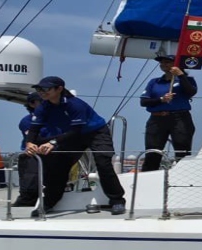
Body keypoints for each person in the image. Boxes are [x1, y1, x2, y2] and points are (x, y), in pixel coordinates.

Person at [25, 76, 127, 216]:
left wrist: (53, 143)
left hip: (95, 132)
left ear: (59, 89)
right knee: (58, 166)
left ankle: (117, 201)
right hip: (71, 135)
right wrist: (29, 143)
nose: (41, 92)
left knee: (103, 162)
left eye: (45, 88)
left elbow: (76, 130)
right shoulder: (44, 106)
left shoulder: (75, 104)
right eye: (39, 89)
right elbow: (34, 129)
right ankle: (49, 202)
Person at [138, 55, 198, 172]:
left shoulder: (187, 80)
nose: (164, 64)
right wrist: (161, 100)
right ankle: (148, 177)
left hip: (180, 118)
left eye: (167, 62)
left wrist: (180, 75)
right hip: (157, 119)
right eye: (162, 63)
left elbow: (191, 92)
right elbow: (144, 101)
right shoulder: (154, 82)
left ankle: (183, 179)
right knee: (152, 152)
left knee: (183, 151)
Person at [12, 91, 42, 208]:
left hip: (52, 153)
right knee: (30, 185)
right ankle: (26, 201)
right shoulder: (26, 121)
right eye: (43, 101)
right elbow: (35, 139)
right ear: (33, 103)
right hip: (33, 155)